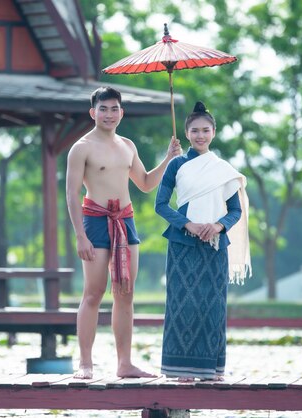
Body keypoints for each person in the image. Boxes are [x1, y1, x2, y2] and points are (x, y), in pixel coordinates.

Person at [66, 86, 181, 379]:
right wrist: (80, 235)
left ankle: (125, 363)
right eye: (103, 109)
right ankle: (85, 364)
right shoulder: (82, 147)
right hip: (95, 220)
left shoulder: (128, 145)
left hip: (125, 221)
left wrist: (168, 158)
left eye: (114, 108)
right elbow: (70, 193)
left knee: (125, 293)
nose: (109, 114)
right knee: (93, 293)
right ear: (93, 113)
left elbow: (144, 183)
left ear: (121, 112)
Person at [154, 101, 251, 382]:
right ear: (186, 133)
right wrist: (189, 225)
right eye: (195, 130)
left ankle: (213, 368)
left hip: (215, 245)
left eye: (205, 130)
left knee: (213, 305)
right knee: (182, 304)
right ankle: (181, 369)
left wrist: (218, 226)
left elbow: (235, 211)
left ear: (214, 132)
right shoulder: (176, 165)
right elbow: (161, 205)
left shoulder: (222, 169)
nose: (200, 135)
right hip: (182, 244)